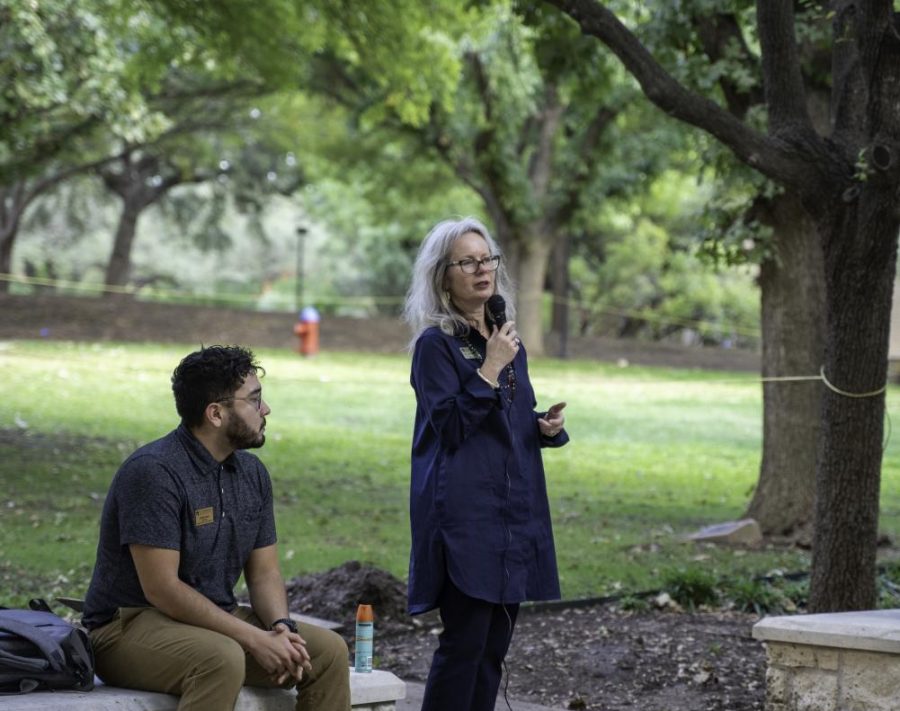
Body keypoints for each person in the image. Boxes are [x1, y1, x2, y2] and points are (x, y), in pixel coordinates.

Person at [81, 345, 350, 711]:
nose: (266, 410)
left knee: (328, 652)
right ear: (216, 414)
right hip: (126, 627)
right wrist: (254, 639)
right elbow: (162, 590)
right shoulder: (154, 472)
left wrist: (280, 627)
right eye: (254, 401)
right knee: (220, 659)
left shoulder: (252, 474)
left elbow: (264, 573)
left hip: (213, 618)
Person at [403, 217, 569, 711]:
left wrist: (542, 427)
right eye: (468, 262)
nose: (483, 269)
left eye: (488, 258)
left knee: (494, 646)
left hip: (512, 511)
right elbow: (451, 427)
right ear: (443, 276)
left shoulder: (502, 336)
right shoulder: (435, 345)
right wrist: (491, 366)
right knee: (465, 644)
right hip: (464, 514)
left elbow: (506, 413)